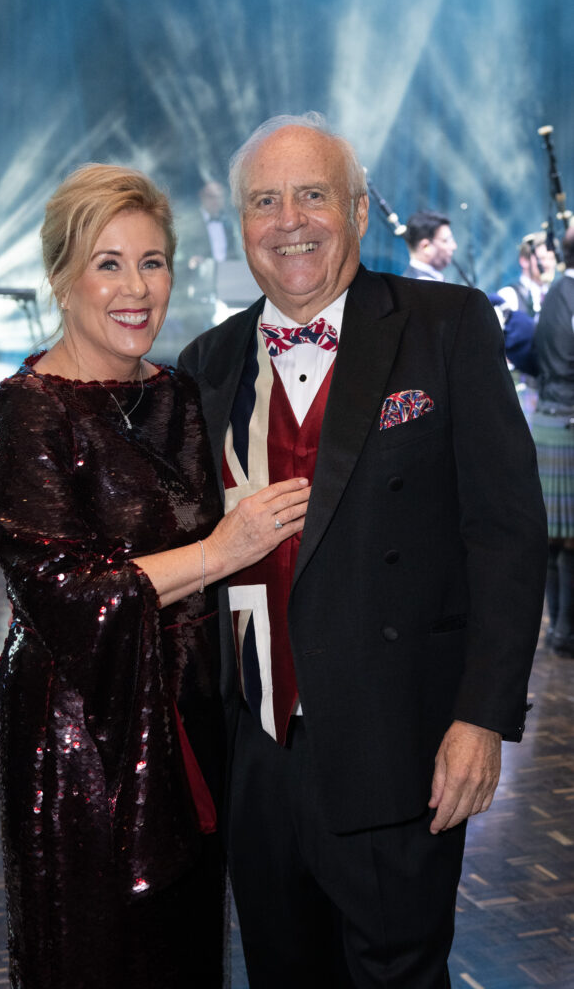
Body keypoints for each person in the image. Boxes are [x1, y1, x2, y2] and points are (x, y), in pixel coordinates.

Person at [179, 113, 548, 988]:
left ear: (352, 207)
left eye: (312, 194)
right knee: (280, 972)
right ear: (241, 226)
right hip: (256, 755)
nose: (289, 220)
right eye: (264, 201)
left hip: (401, 748)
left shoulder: (444, 324)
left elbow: (505, 534)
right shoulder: (208, 360)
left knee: (397, 974)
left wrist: (481, 718)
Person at [0, 163, 310, 989]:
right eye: (108, 262)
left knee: (187, 949)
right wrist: (220, 553)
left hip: (192, 715)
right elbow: (61, 591)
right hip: (81, 734)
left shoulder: (178, 394)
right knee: (100, 953)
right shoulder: (27, 410)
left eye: (152, 261)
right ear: (60, 277)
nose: (136, 287)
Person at [532, 225, 574, 659]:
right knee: (569, 542)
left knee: (555, 540)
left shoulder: (553, 291)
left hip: (547, 420)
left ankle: (560, 630)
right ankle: (564, 631)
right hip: (567, 425)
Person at [497, 232, 557, 317]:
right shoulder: (508, 296)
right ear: (524, 261)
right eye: (542, 258)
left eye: (552, 258)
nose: (548, 264)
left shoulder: (557, 295)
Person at [402, 209, 457, 281]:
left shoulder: (412, 280)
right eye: (446, 241)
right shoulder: (424, 285)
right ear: (425, 246)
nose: (454, 246)